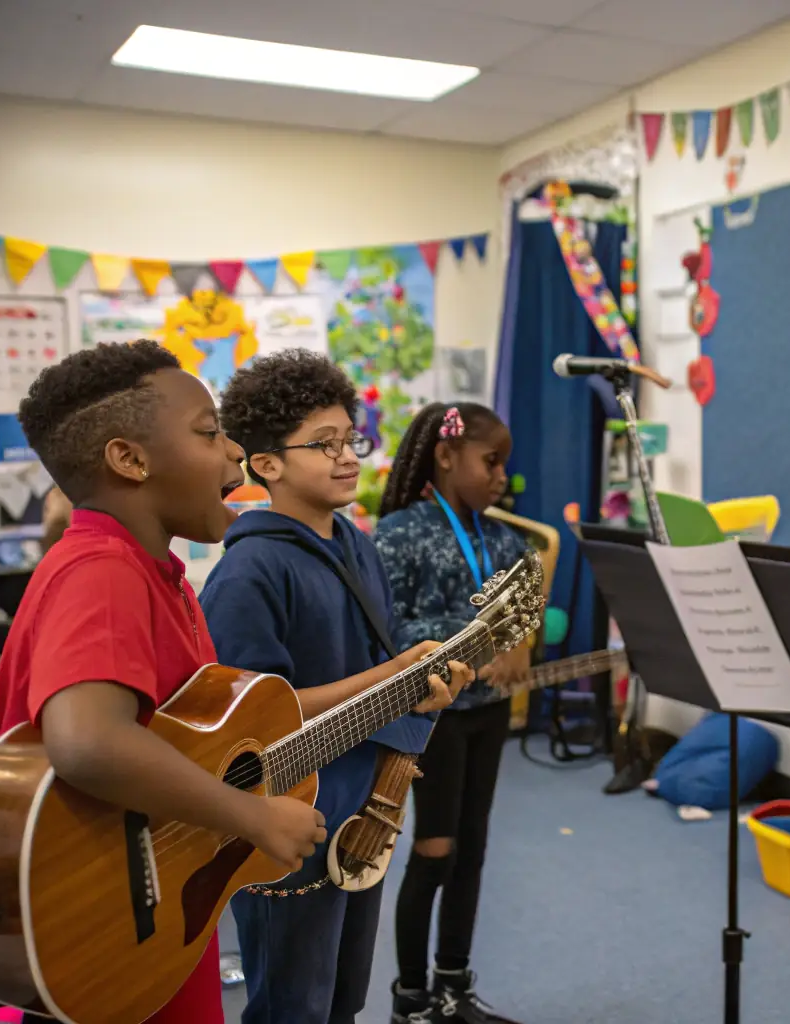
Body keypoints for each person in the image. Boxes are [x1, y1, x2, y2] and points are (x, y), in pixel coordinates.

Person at [0, 341, 329, 1024]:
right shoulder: (103, 570)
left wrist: (396, 679)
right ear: (130, 459)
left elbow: (204, 736)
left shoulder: (148, 574)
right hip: (109, 919)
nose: (235, 453)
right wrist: (254, 816)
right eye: (209, 433)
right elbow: (88, 744)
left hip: (155, 913)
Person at [199, 351, 470, 1024]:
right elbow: (250, 728)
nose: (348, 457)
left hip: (365, 809)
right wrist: (392, 676)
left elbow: (386, 661)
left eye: (351, 439)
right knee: (291, 1007)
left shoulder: (355, 543)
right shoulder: (249, 572)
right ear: (266, 464)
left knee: (343, 1000)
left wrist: (426, 685)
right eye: (324, 445)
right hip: (282, 823)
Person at [376, 403, 531, 1024]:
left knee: (471, 850)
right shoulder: (399, 532)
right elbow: (389, 626)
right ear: (446, 457)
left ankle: (454, 985)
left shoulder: (505, 537)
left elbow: (526, 610)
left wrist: (520, 639)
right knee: (435, 850)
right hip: (431, 718)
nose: (501, 478)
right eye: (490, 462)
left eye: (505, 466)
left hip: (487, 714)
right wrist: (484, 635)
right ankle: (411, 998)